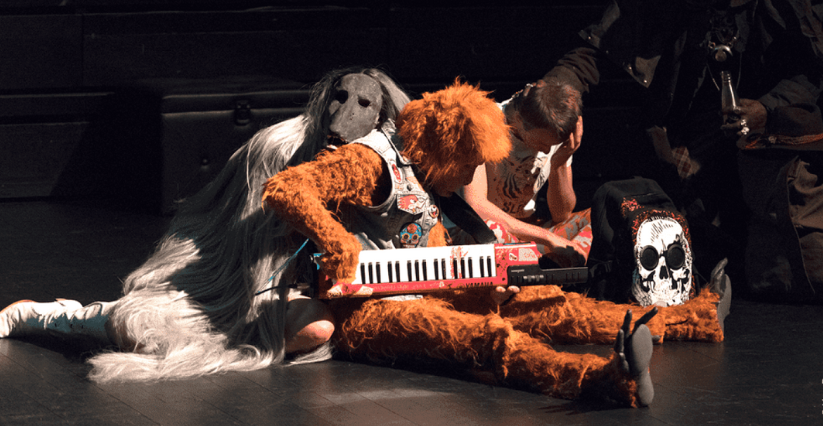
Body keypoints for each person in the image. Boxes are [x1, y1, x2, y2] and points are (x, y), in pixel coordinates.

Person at [261, 79, 741, 407]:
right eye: (468, 165)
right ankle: (598, 380)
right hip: (369, 304)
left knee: (545, 305)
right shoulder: (372, 161)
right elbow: (287, 189)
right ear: (445, 148)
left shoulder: (429, 167)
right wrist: (335, 239)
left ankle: (689, 319)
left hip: (433, 278)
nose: (472, 176)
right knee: (476, 339)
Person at [0, 66, 411, 381]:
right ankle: (49, 316)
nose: (344, 117)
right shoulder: (280, 149)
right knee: (148, 328)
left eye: (363, 106)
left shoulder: (390, 157)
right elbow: (241, 242)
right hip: (259, 282)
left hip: (342, 285)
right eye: (339, 100)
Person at [543, 0, 823, 298]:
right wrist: (556, 91)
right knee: (688, 254)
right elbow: (595, 52)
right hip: (690, 133)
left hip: (772, 137)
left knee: (783, 267)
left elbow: (813, 70)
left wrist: (768, 110)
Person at [451, 77, 592, 272]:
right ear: (521, 121)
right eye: (542, 144)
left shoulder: (553, 133)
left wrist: (559, 162)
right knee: (492, 230)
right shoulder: (485, 125)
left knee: (597, 216)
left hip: (528, 236)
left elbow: (562, 214)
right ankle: (536, 271)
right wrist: (548, 238)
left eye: (551, 147)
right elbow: (477, 206)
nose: (545, 151)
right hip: (482, 232)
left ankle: (547, 271)